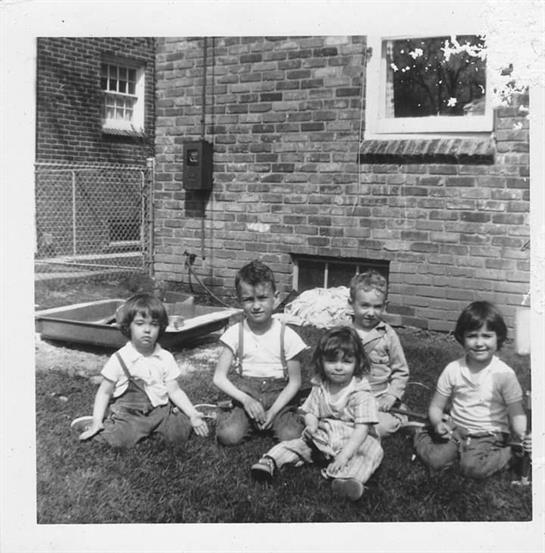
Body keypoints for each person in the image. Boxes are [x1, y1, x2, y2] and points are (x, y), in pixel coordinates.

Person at [250, 326, 383, 501]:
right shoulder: (321, 386)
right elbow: (310, 411)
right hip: (325, 436)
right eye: (332, 361)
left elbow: (362, 430)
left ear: (357, 362)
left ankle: (347, 480)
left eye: (346, 362)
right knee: (297, 444)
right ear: (321, 361)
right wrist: (311, 424)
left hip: (354, 440)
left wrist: (344, 455)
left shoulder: (361, 393)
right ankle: (271, 461)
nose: (338, 367)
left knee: (371, 452)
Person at [70, 293, 209, 448]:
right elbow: (104, 392)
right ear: (128, 326)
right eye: (140, 323)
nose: (147, 330)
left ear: (161, 328)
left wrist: (192, 415)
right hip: (130, 414)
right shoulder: (120, 358)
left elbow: (174, 391)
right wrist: (97, 421)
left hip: (159, 411)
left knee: (179, 434)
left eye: (154, 324)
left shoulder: (165, 357)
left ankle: (190, 414)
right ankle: (94, 423)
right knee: (116, 440)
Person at [414, 301, 531, 479]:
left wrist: (524, 436)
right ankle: (419, 434)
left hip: (490, 435)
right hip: (456, 430)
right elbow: (436, 407)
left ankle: (513, 453)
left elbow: (516, 412)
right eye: (472, 336)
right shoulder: (453, 369)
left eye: (486, 336)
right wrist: (438, 423)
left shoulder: (504, 374)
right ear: (462, 337)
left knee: (471, 468)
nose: (479, 343)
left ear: (498, 338)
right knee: (437, 461)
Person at [213, 260, 307, 446]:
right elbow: (219, 378)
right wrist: (245, 400)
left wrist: (273, 411)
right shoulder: (235, 333)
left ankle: (282, 418)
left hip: (279, 398)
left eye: (262, 298)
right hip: (247, 395)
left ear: (276, 298)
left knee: (292, 435)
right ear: (240, 301)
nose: (256, 306)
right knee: (228, 435)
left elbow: (295, 382)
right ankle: (236, 416)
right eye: (249, 299)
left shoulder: (287, 335)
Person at [349, 270, 409, 437]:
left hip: (378, 397)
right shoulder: (342, 332)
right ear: (351, 304)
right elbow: (326, 364)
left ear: (385, 306)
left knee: (381, 427)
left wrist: (391, 395)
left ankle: (399, 416)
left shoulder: (388, 335)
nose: (371, 312)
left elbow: (401, 370)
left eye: (377, 307)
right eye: (365, 305)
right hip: (348, 396)